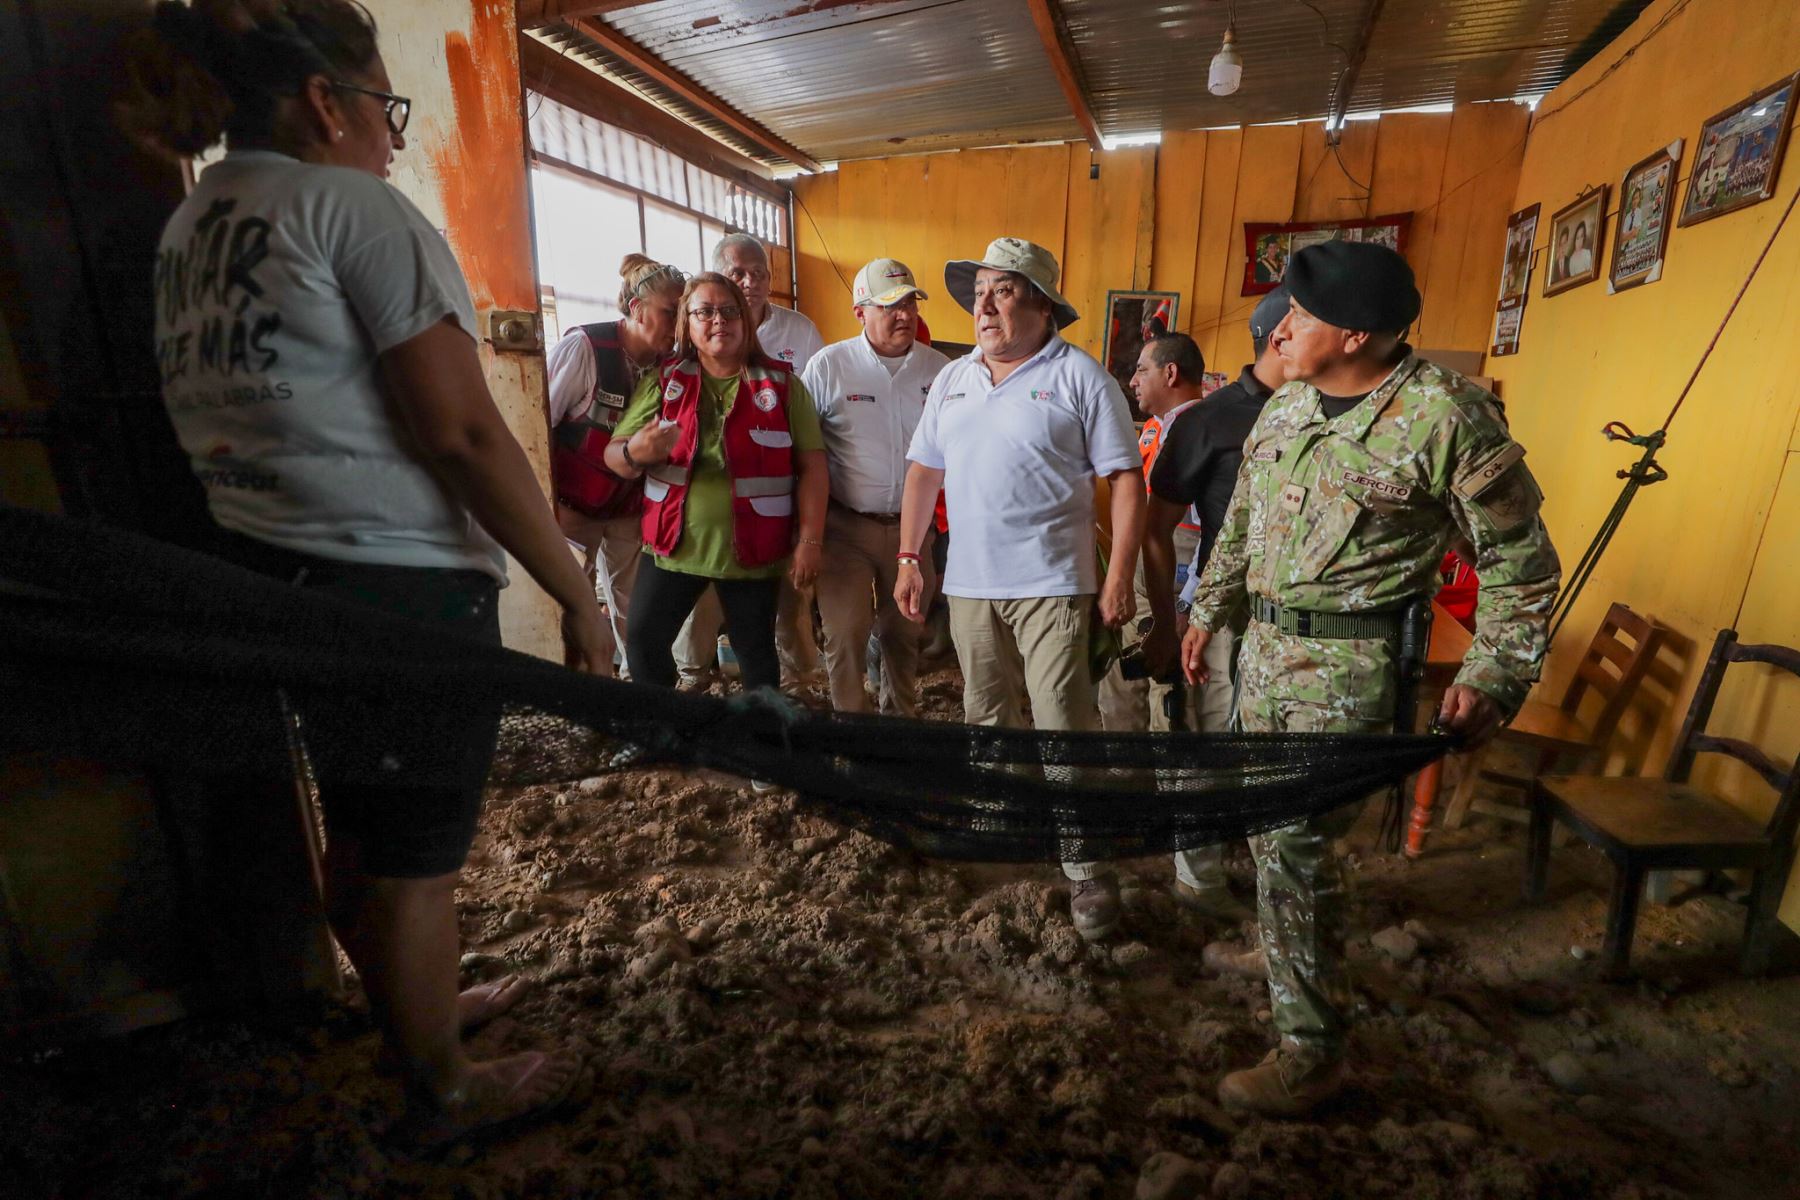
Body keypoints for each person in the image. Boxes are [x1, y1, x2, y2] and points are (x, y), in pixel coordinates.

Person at [126, 0, 608, 1144]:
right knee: (415, 866)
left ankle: (420, 1014)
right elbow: (465, 433)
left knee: (359, 832)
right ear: (323, 103)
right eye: (386, 107)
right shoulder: (353, 209)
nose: (395, 136)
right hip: (397, 588)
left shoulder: (194, 224)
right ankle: (441, 1087)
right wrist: (575, 591)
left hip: (273, 574)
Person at [1180, 241, 1560, 1117]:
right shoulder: (1288, 404)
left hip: (1347, 676)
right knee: (1277, 841)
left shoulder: (1447, 417)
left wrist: (1495, 671)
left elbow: (1521, 565)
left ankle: (1312, 1055)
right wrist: (1210, 613)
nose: (1281, 330)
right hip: (1264, 664)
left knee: (1301, 846)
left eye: (1300, 318)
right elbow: (1241, 523)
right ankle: (1286, 944)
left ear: (1354, 335)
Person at [895, 237, 1144, 941]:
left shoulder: (1079, 377)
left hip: (1054, 585)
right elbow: (922, 471)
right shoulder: (954, 377)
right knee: (986, 719)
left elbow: (1125, 479)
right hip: (971, 586)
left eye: (1002, 291)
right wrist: (910, 555)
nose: (983, 305)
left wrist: (1118, 574)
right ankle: (1002, 828)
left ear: (1042, 304)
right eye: (978, 292)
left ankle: (1086, 866)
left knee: (1064, 724)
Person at [1139, 295, 1293, 923]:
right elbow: (1159, 527)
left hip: (1300, 624)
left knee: (1277, 753)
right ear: (1281, 335)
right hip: (1223, 614)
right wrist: (1166, 617)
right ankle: (1198, 877)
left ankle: (1278, 879)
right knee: (1202, 739)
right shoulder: (1209, 420)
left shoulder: (1334, 412)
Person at [605, 272, 828, 701]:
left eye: (728, 311)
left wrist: (810, 541)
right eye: (703, 312)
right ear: (686, 323)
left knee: (756, 657)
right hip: (672, 549)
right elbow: (615, 457)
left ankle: (760, 745)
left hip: (753, 553)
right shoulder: (665, 381)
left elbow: (814, 468)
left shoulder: (782, 386)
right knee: (644, 643)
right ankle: (665, 734)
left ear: (745, 321)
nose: (717, 320)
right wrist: (637, 451)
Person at [675, 233, 827, 690]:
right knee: (703, 600)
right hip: (711, 505)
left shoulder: (799, 331)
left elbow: (812, 415)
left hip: (778, 495)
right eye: (738, 272)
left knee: (791, 598)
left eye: (759, 273)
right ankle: (692, 678)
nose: (750, 281)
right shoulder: (699, 332)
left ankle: (798, 684)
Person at [803, 258, 951, 716]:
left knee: (905, 632)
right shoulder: (829, 367)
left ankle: (898, 723)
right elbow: (802, 451)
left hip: (914, 530)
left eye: (909, 302)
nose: (903, 314)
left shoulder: (942, 372)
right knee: (845, 631)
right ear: (859, 311)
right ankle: (853, 727)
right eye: (889, 305)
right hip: (846, 527)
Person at [544, 254, 685, 664]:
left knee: (636, 613)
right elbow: (538, 426)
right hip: (572, 507)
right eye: (669, 313)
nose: (678, 326)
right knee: (571, 605)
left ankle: (635, 690)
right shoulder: (584, 348)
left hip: (630, 509)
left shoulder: (670, 366)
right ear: (636, 309)